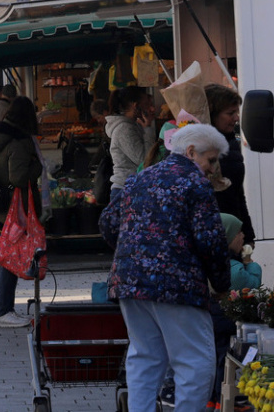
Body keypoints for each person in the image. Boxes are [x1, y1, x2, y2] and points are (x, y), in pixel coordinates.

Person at [99, 123, 231, 412]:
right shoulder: (194, 183)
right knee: (195, 361)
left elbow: (108, 223)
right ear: (192, 152)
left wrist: (131, 253)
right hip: (178, 285)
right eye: (210, 160)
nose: (212, 168)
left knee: (145, 357)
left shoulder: (139, 178)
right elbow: (210, 240)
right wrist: (221, 284)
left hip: (130, 282)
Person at [0, 96, 44, 329]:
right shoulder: (18, 140)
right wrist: (37, 165)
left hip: (3, 204)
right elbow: (19, 177)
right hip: (14, 207)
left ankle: (4, 309)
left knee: (11, 256)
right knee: (10, 258)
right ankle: (3, 311)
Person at [210, 213, 262, 406]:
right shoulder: (233, 268)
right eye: (238, 233)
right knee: (226, 360)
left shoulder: (214, 260)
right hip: (225, 321)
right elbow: (252, 284)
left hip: (213, 320)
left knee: (215, 359)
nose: (242, 237)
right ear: (228, 237)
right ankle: (223, 401)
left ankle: (213, 400)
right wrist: (250, 262)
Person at [205, 83, 256, 245]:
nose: (236, 118)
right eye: (230, 113)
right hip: (212, 234)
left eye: (236, 112)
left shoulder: (232, 143)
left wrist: (247, 236)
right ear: (213, 115)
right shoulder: (196, 148)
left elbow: (238, 194)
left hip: (234, 233)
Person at [104, 86, 154, 191]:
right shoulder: (124, 129)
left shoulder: (134, 124)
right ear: (136, 106)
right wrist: (148, 129)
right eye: (146, 105)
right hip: (125, 189)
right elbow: (144, 160)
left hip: (133, 186)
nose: (151, 109)